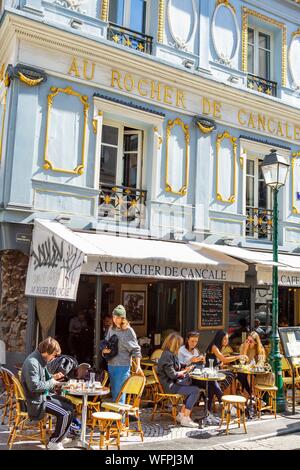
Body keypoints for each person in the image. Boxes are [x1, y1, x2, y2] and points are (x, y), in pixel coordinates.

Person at [21, 337, 74, 451]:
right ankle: (54, 443)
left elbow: (42, 379)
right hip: (36, 401)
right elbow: (34, 386)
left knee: (69, 403)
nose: (54, 358)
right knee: (66, 412)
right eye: (54, 355)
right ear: (46, 352)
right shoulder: (33, 362)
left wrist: (54, 378)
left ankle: (61, 436)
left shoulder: (39, 359)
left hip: (42, 396)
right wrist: (52, 382)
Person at [157, 332, 200, 428]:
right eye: (179, 344)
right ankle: (185, 418)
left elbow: (179, 365)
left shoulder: (170, 353)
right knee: (195, 390)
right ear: (175, 344)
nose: (180, 346)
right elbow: (172, 375)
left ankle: (181, 415)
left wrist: (186, 366)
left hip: (173, 383)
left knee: (191, 387)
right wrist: (185, 371)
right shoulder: (167, 355)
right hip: (169, 386)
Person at [102, 305, 142, 403]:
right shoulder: (111, 329)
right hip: (111, 364)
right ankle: (117, 417)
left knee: (120, 394)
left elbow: (136, 349)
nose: (115, 320)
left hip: (123, 366)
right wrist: (104, 351)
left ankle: (121, 418)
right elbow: (106, 344)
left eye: (118, 317)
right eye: (114, 317)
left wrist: (138, 366)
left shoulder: (129, 331)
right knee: (114, 393)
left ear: (123, 318)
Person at [206, 331, 247, 422]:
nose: (226, 340)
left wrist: (221, 362)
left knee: (231, 374)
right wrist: (237, 357)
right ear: (219, 338)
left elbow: (220, 360)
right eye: (224, 338)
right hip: (210, 372)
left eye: (227, 339)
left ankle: (219, 396)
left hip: (215, 371)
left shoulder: (219, 347)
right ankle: (225, 401)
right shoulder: (214, 347)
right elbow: (223, 359)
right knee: (220, 380)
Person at [237, 331, 266, 397]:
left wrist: (256, 366)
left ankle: (252, 395)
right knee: (241, 375)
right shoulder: (243, 346)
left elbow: (261, 361)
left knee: (250, 376)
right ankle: (251, 394)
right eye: (247, 340)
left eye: (250, 341)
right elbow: (242, 361)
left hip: (256, 370)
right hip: (246, 369)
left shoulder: (260, 348)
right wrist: (245, 350)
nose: (248, 342)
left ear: (255, 342)